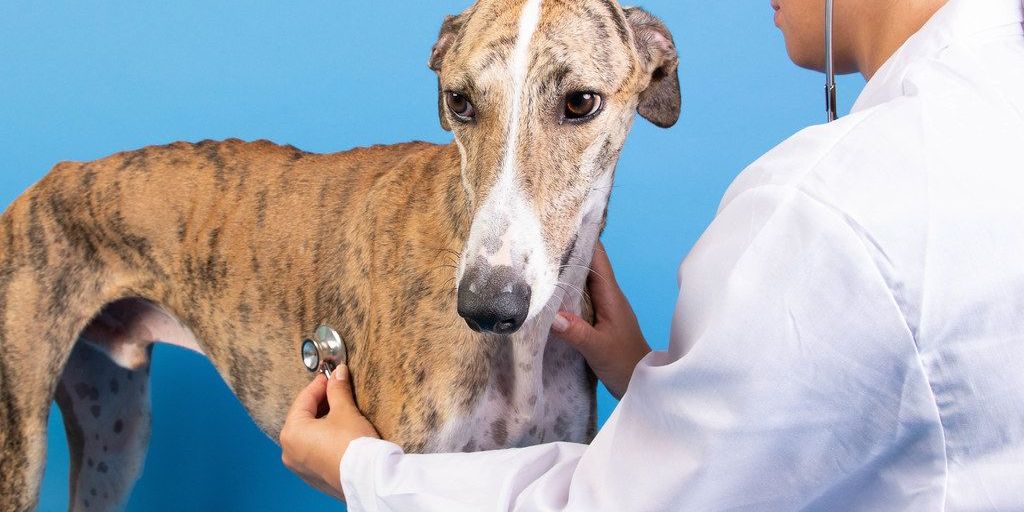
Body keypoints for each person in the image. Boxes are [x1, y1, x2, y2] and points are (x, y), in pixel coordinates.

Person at [280, 0, 1024, 509]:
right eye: (465, 105)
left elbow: (628, 504)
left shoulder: (822, 209)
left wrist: (361, 471)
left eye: (577, 106)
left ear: (652, 80)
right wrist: (644, 374)